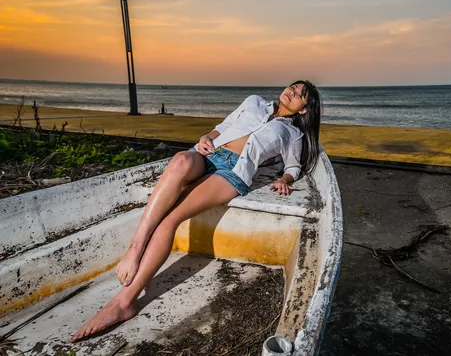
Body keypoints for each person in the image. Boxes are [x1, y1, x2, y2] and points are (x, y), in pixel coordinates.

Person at [69, 80, 321, 342]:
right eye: (293, 87)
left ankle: (124, 303)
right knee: (179, 161)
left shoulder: (293, 134)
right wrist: (205, 138)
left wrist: (284, 180)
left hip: (233, 172)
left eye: (300, 94)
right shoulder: (254, 101)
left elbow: (293, 167)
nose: (292, 92)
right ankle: (135, 247)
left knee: (171, 218)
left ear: (304, 109)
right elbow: (222, 127)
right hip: (208, 153)